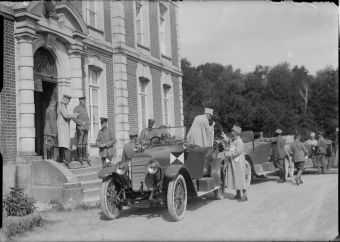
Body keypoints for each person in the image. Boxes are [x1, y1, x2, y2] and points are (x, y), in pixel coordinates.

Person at [225, 125, 249, 201]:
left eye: (233, 131)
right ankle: (238, 194)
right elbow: (230, 145)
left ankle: (245, 195)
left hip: (238, 163)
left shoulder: (239, 141)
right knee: (236, 178)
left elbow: (237, 151)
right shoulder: (234, 140)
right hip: (234, 163)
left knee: (241, 178)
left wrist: (228, 154)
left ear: (236, 133)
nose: (231, 132)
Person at [57, 94, 79, 168]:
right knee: (64, 143)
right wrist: (73, 115)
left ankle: (63, 160)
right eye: (68, 100)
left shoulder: (64, 106)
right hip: (62, 127)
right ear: (65, 99)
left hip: (64, 127)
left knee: (64, 143)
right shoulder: (62, 106)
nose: (69, 102)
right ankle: (65, 160)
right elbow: (66, 115)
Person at [73, 96, 91, 167]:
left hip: (86, 128)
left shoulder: (85, 108)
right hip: (80, 128)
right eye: (83, 100)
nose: (84, 102)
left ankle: (84, 157)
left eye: (84, 100)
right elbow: (74, 118)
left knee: (85, 142)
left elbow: (87, 117)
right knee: (80, 142)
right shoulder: (76, 108)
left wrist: (88, 123)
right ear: (80, 100)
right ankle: (79, 157)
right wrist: (80, 123)